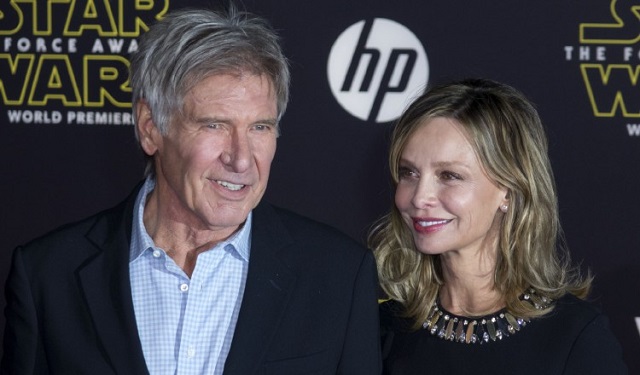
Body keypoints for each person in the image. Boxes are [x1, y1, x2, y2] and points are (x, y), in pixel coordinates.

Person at [1, 7, 381, 375]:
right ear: (151, 128)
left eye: (260, 128)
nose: (241, 159)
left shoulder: (337, 277)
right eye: (215, 125)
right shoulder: (48, 276)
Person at [370, 78, 628, 374]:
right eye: (409, 172)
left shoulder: (572, 335)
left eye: (449, 175)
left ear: (508, 189)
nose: (419, 197)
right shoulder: (380, 330)